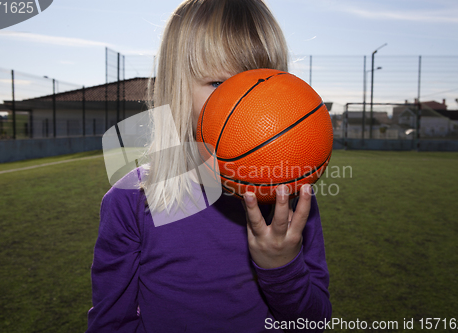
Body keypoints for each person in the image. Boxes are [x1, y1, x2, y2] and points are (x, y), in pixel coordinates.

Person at [87, 0, 331, 332]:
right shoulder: (130, 200)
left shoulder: (290, 196)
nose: (243, 105)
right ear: (177, 89)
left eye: (257, 82)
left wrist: (280, 266)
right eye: (218, 84)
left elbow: (312, 323)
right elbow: (111, 322)